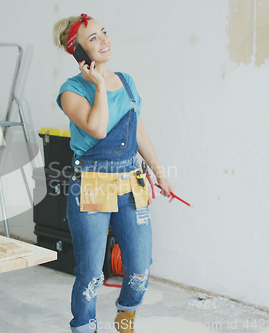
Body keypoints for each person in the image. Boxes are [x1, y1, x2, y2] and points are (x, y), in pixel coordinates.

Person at [53, 14, 176, 333]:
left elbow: (138, 131)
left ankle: (126, 316)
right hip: (93, 184)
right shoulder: (71, 91)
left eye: (103, 33)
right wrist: (97, 85)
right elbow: (97, 126)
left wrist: (159, 172)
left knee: (139, 267)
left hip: (130, 183)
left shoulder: (127, 81)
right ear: (78, 53)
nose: (104, 40)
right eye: (92, 38)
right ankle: (84, 327)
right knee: (92, 273)